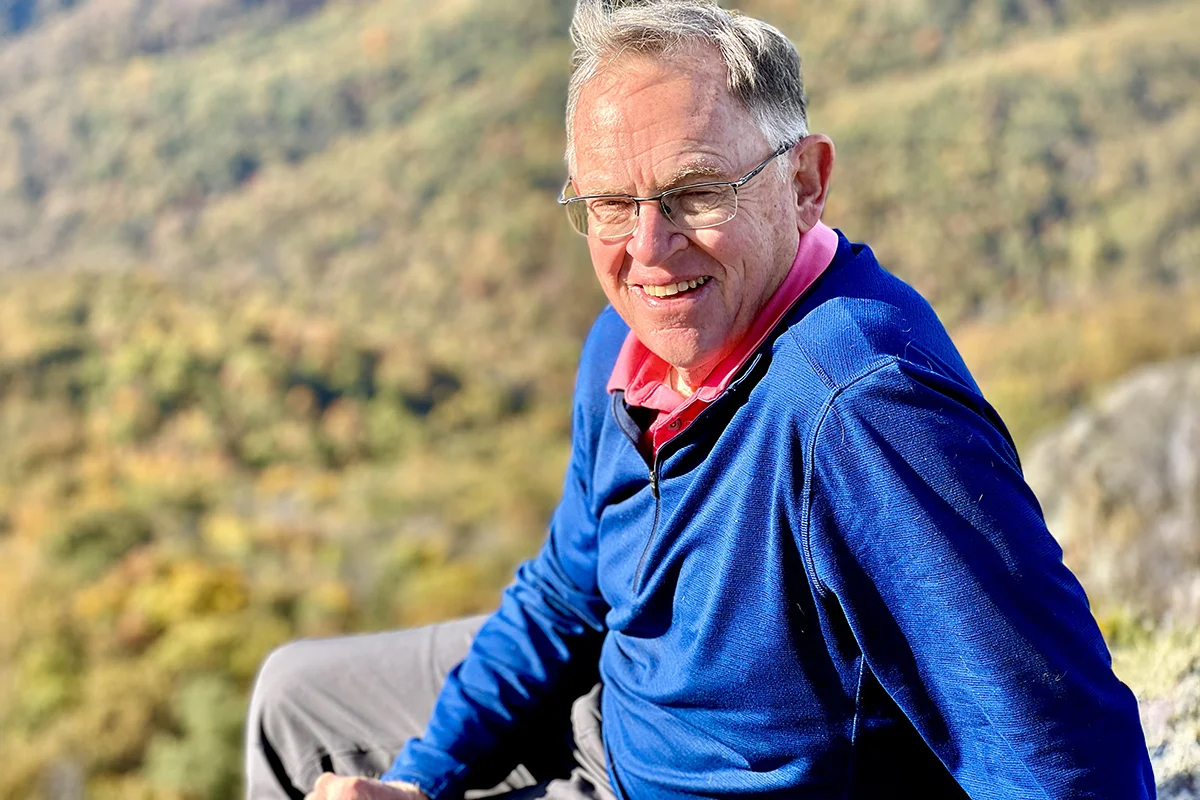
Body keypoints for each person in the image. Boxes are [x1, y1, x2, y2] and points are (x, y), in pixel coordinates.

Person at [245, 2, 1156, 798]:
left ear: (805, 183)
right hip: (616, 707)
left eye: (695, 192)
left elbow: (1064, 753)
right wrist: (420, 775)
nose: (649, 249)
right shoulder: (629, 341)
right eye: (611, 204)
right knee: (291, 699)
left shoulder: (860, 411)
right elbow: (567, 595)